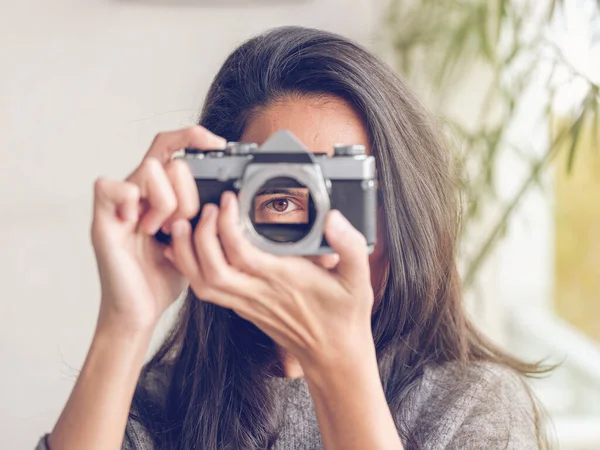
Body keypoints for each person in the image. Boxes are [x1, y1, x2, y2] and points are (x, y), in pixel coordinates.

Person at [37, 26, 551, 450]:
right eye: (281, 200)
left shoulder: (472, 407)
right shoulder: (155, 408)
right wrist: (124, 323)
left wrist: (340, 362)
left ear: (403, 215)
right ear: (217, 213)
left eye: (346, 195)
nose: (324, 238)